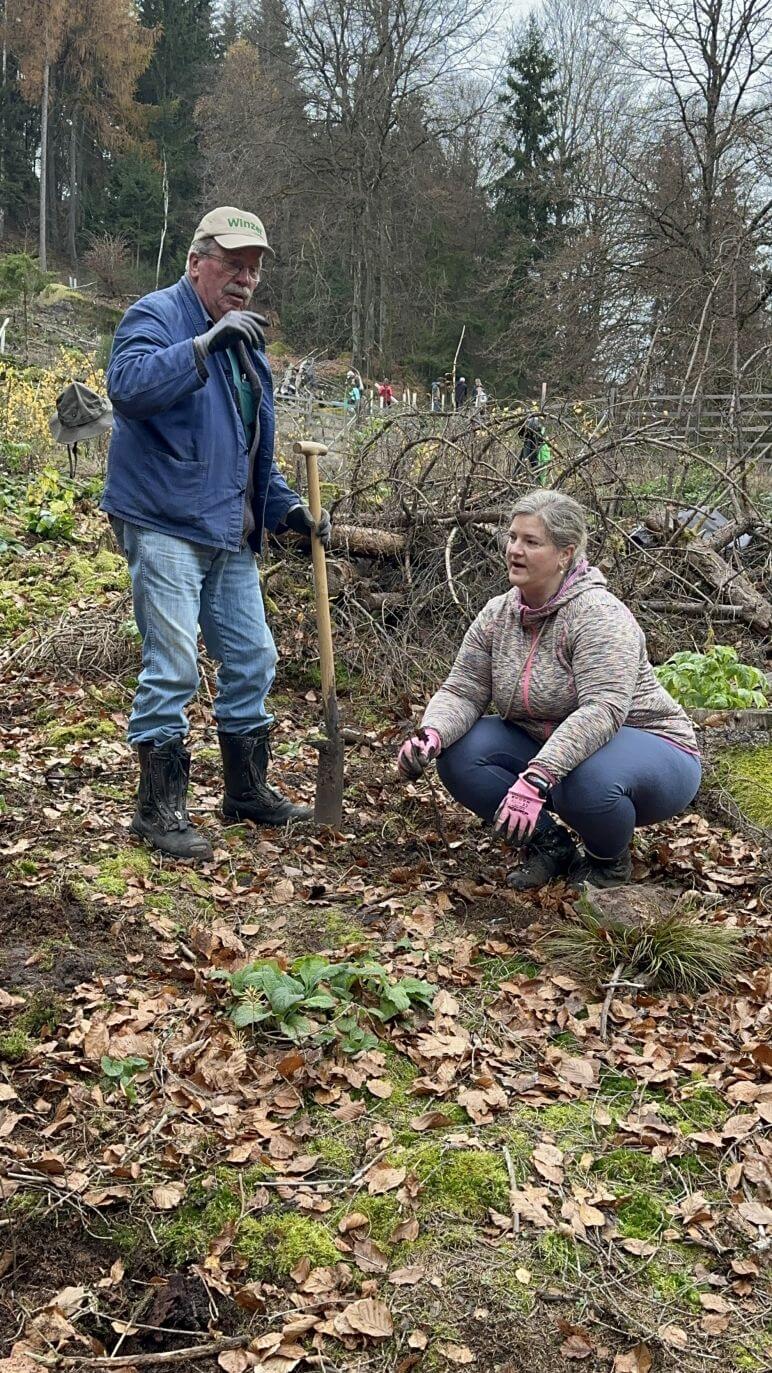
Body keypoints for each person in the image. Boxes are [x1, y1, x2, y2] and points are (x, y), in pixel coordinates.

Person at [102, 205, 331, 861]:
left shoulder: (248, 349)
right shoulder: (155, 316)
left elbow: (248, 449)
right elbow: (128, 387)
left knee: (254, 656)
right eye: (232, 264)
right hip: (164, 519)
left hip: (229, 529)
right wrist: (204, 345)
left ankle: (245, 791)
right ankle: (158, 809)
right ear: (196, 262)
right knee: (174, 664)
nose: (245, 279)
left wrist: (286, 509)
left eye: (253, 269)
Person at [397, 490, 701, 891]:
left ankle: (608, 863)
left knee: (582, 780)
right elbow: (463, 689)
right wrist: (432, 733)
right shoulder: (498, 614)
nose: (514, 550)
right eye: (512, 537)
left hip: (651, 747)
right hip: (552, 743)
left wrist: (538, 776)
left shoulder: (599, 616)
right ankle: (549, 847)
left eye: (531, 541)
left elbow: (603, 709)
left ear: (564, 554)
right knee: (459, 753)